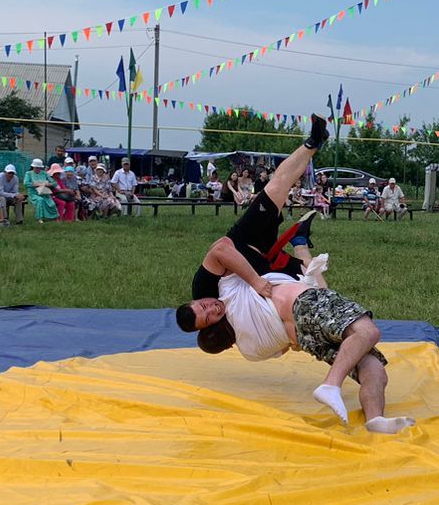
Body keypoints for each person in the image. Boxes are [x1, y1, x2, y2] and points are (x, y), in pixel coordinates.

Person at [206, 258, 414, 434]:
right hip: (305, 303)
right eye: (205, 310)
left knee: (373, 368)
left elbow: (287, 346)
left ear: (228, 346)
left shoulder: (250, 350)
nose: (210, 306)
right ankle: (331, 385)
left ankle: (375, 419)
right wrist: (256, 279)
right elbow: (222, 249)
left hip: (305, 337)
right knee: (368, 332)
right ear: (217, 321)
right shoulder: (231, 297)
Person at [175, 112, 329, 335]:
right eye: (209, 317)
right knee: (318, 289)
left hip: (244, 241)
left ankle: (313, 142)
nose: (213, 308)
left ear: (195, 301)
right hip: (266, 268)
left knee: (277, 186)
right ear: (209, 326)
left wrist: (255, 281)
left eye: (204, 306)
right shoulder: (226, 324)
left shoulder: (202, 287)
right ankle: (301, 243)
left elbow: (220, 249)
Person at [24, 158, 59, 222]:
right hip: (33, 193)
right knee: (40, 200)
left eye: (39, 168)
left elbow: (54, 183)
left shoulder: (44, 173)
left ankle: (54, 218)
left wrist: (47, 184)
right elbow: (26, 184)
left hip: (44, 192)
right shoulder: (28, 173)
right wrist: (36, 184)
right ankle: (39, 218)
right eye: (36, 167)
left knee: (51, 203)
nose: (38, 169)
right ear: (33, 167)